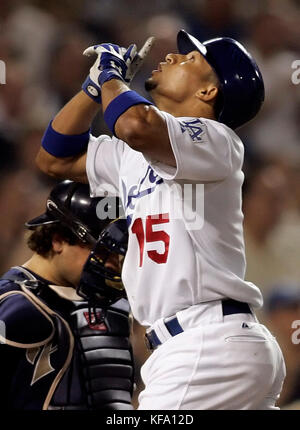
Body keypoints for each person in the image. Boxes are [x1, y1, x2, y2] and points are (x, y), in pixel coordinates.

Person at [35, 30, 286, 409]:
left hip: (207, 343)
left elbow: (136, 124)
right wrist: (91, 86)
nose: (172, 57)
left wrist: (111, 78)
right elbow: (53, 158)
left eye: (190, 60)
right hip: (202, 347)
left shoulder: (217, 140)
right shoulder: (132, 155)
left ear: (208, 92)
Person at [0, 180, 134, 410]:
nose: (112, 264)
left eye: (117, 253)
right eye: (102, 251)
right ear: (58, 239)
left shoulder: (113, 303)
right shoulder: (15, 303)